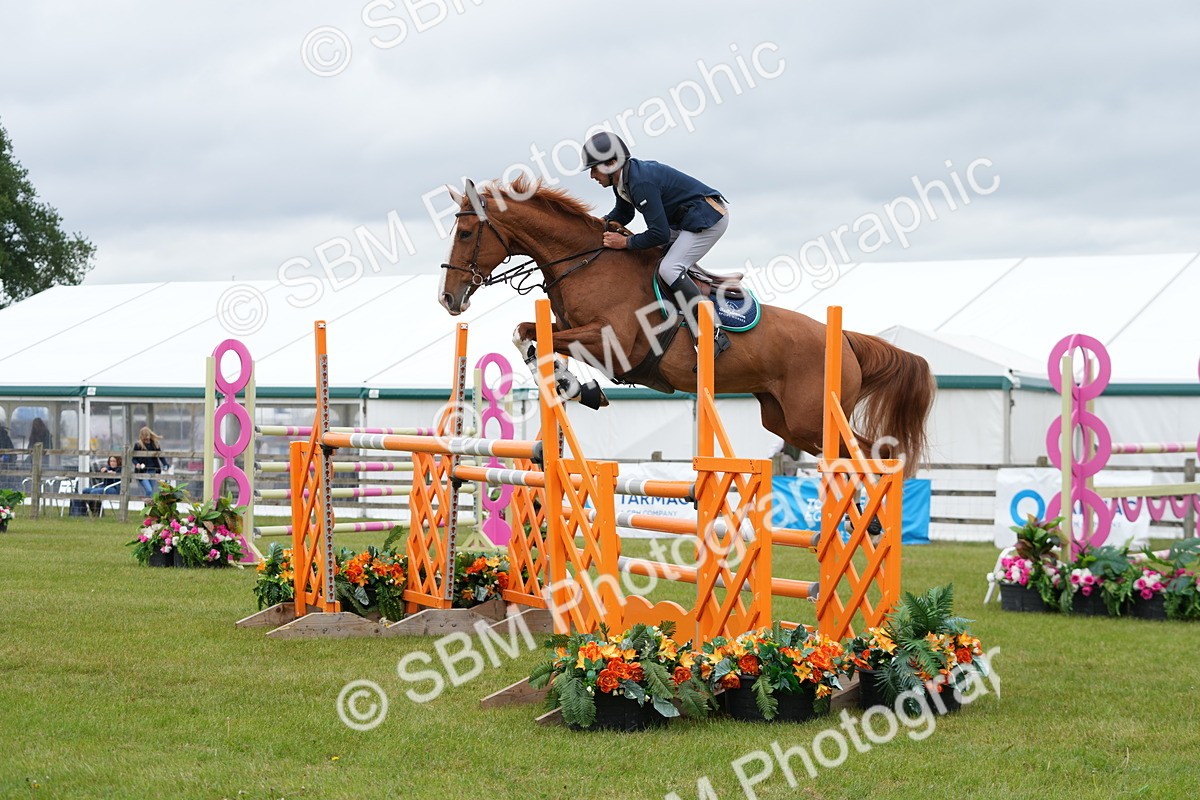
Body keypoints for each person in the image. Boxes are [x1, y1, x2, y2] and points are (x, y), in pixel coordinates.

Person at [582, 131, 732, 356]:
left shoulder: (640, 182)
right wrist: (597, 226)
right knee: (649, 258)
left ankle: (709, 330)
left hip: (707, 219)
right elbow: (623, 214)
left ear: (612, 163)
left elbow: (659, 234)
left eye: (594, 168)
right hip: (684, 221)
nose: (592, 175)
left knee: (670, 268)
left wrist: (625, 243)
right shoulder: (622, 179)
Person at [132, 427, 168, 496]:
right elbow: (134, 458)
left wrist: (165, 464)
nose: (146, 439)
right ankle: (148, 505)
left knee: (151, 492)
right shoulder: (138, 445)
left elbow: (160, 456)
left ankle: (148, 506)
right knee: (149, 490)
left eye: (147, 436)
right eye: (144, 438)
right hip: (142, 471)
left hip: (153, 470)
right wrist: (137, 464)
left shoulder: (155, 444)